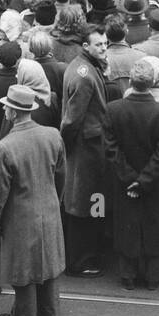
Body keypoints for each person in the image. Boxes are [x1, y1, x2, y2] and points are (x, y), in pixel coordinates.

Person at [0, 83, 67, 316]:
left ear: (11, 112)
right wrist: (55, 199)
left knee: (23, 265)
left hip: (20, 214)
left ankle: (25, 315)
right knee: (48, 260)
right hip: (49, 207)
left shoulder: (5, 147)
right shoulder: (53, 135)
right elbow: (62, 174)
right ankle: (51, 310)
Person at [105, 57, 159, 290]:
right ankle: (155, 276)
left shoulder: (113, 109)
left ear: (130, 82)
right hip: (154, 182)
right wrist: (144, 181)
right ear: (154, 81)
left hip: (124, 181)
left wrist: (130, 179)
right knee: (155, 225)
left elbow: (111, 148)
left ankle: (128, 276)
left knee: (127, 225)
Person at [59, 26, 110, 276]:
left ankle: (87, 254)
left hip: (88, 143)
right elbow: (72, 119)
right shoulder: (84, 75)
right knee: (85, 201)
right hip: (87, 147)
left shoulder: (85, 67)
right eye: (99, 45)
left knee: (88, 200)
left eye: (105, 44)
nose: (104, 48)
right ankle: (81, 260)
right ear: (86, 46)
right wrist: (67, 144)